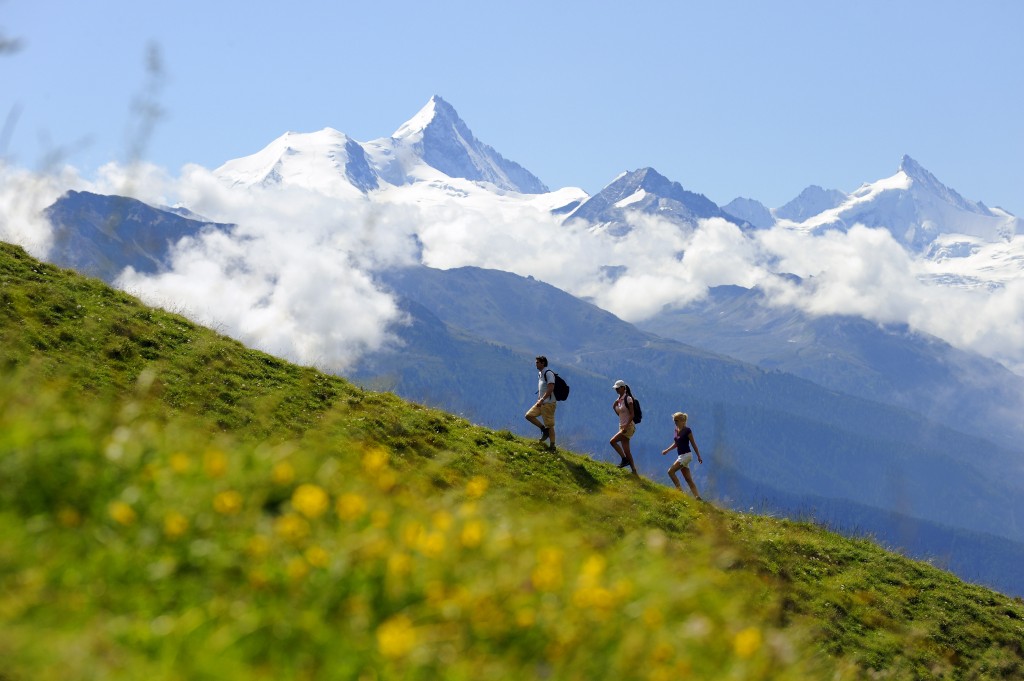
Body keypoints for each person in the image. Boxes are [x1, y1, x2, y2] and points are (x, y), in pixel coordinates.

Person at [661, 412, 703, 500]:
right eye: (674, 420)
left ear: (682, 421)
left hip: (686, 455)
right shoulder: (676, 430)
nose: (675, 422)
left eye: (676, 420)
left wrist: (698, 456)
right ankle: (698, 497)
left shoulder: (687, 430)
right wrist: (667, 450)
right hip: (681, 456)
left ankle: (680, 492)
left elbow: (693, 444)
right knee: (688, 479)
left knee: (670, 472)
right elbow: (676, 443)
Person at [525, 356, 557, 451]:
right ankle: (544, 430)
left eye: (537, 362)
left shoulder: (548, 373)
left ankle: (552, 446)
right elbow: (542, 388)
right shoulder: (540, 373)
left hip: (549, 403)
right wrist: (539, 399)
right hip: (541, 402)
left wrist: (542, 399)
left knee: (550, 424)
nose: (536, 364)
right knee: (529, 415)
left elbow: (551, 388)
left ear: (543, 363)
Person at [610, 379, 638, 475]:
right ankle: (634, 471)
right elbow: (621, 414)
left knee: (612, 441)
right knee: (627, 450)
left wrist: (626, 426)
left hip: (628, 427)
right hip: (622, 426)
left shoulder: (628, 399)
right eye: (615, 389)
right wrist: (614, 407)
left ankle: (624, 460)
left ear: (623, 388)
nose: (616, 390)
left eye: (618, 388)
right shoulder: (619, 400)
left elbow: (632, 414)